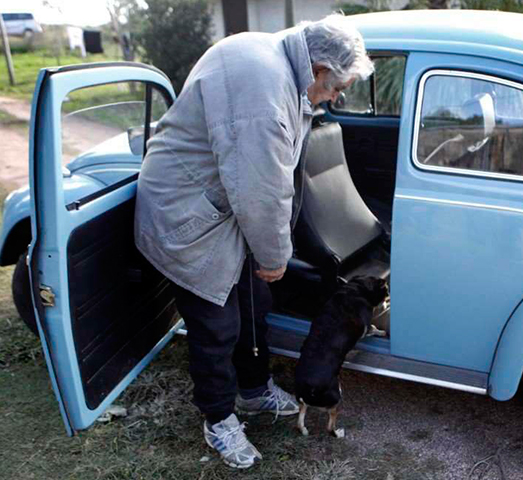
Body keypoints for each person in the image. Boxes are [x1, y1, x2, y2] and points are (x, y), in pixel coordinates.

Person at [133, 15, 373, 469]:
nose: (337, 97)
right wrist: (275, 255)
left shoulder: (282, 65)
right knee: (216, 326)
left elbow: (264, 185)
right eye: (337, 86)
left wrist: (269, 253)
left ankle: (253, 391)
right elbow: (260, 192)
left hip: (225, 211)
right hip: (191, 219)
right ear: (319, 67)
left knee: (255, 306)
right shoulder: (262, 91)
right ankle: (219, 418)